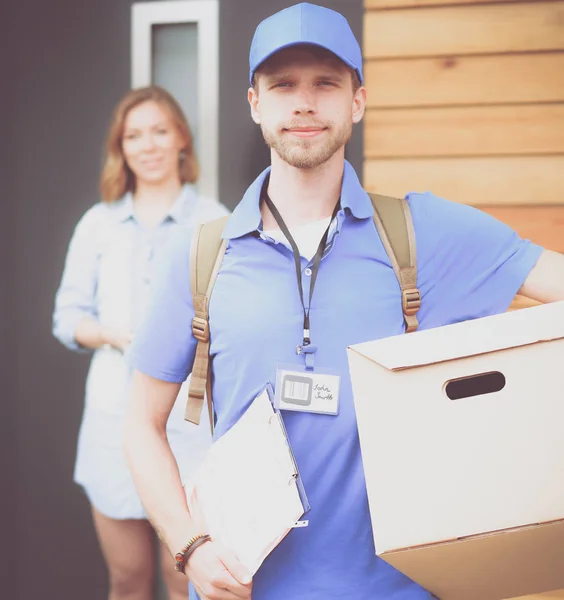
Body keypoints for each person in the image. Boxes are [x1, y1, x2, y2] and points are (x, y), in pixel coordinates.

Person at [122, 4, 564, 600]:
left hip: (399, 589)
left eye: (326, 83)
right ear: (255, 103)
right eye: (283, 85)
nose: (304, 103)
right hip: (248, 590)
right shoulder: (201, 256)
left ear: (358, 101)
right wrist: (189, 546)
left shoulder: (423, 233)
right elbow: (140, 426)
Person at [53, 85, 229, 600]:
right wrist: (110, 334)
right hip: (113, 425)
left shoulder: (215, 221)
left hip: (191, 431)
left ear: (180, 139)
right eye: (134, 135)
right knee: (127, 577)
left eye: (159, 130)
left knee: (187, 578)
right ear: (121, 148)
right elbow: (67, 317)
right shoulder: (97, 225)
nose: (148, 145)